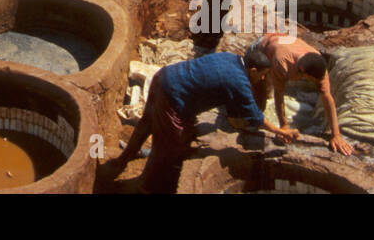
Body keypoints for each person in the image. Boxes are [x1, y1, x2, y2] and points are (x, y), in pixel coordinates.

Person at [99, 51, 299, 193]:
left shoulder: (231, 58)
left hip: (164, 77)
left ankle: (123, 159)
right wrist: (280, 131)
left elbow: (228, 99)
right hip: (173, 96)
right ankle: (145, 186)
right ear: (253, 70)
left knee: (146, 124)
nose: (263, 80)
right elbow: (254, 116)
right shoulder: (238, 81)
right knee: (169, 146)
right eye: (262, 75)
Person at [247, 34, 354, 156]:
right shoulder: (282, 62)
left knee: (270, 87)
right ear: (303, 72)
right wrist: (284, 127)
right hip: (262, 47)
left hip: (283, 42)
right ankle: (249, 125)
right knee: (260, 96)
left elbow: (327, 97)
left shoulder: (318, 63)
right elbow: (279, 96)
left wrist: (336, 135)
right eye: (312, 80)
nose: (316, 83)